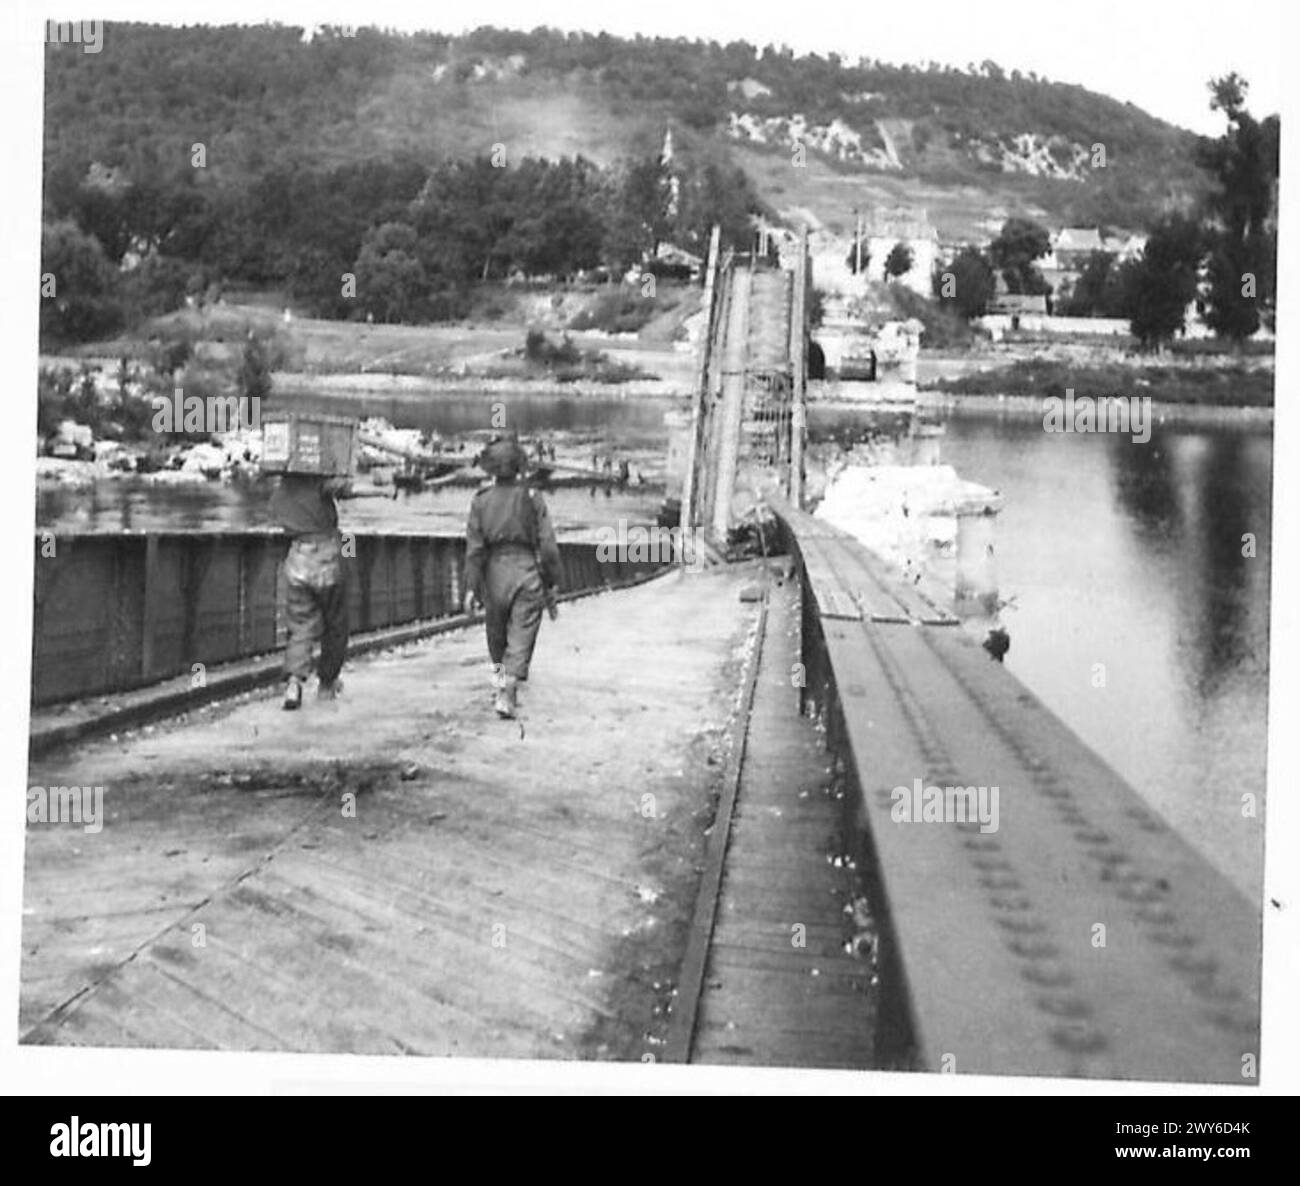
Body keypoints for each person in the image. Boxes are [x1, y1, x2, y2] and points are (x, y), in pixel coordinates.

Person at [463, 436, 562, 719]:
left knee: (496, 634)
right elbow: (548, 546)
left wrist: (471, 588)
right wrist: (553, 581)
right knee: (522, 632)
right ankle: (508, 689)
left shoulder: (480, 502)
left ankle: (500, 684)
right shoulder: (533, 498)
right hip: (526, 570)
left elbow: (474, 550)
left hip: (494, 574)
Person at [270, 473, 355, 710]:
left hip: (297, 559)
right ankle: (327, 683)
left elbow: (275, 513)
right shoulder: (321, 482)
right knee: (336, 623)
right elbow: (348, 489)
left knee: (300, 626)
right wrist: (386, 491)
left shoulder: (284, 487)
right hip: (326, 557)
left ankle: (294, 683)